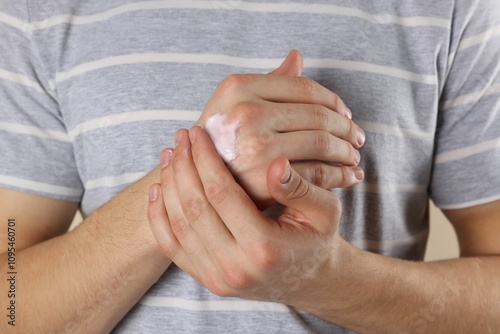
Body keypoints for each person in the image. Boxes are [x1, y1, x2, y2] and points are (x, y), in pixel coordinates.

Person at [0, 0, 498, 333]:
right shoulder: (34, 11)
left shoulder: (457, 7)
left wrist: (331, 280)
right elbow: (10, 302)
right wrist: (212, 163)